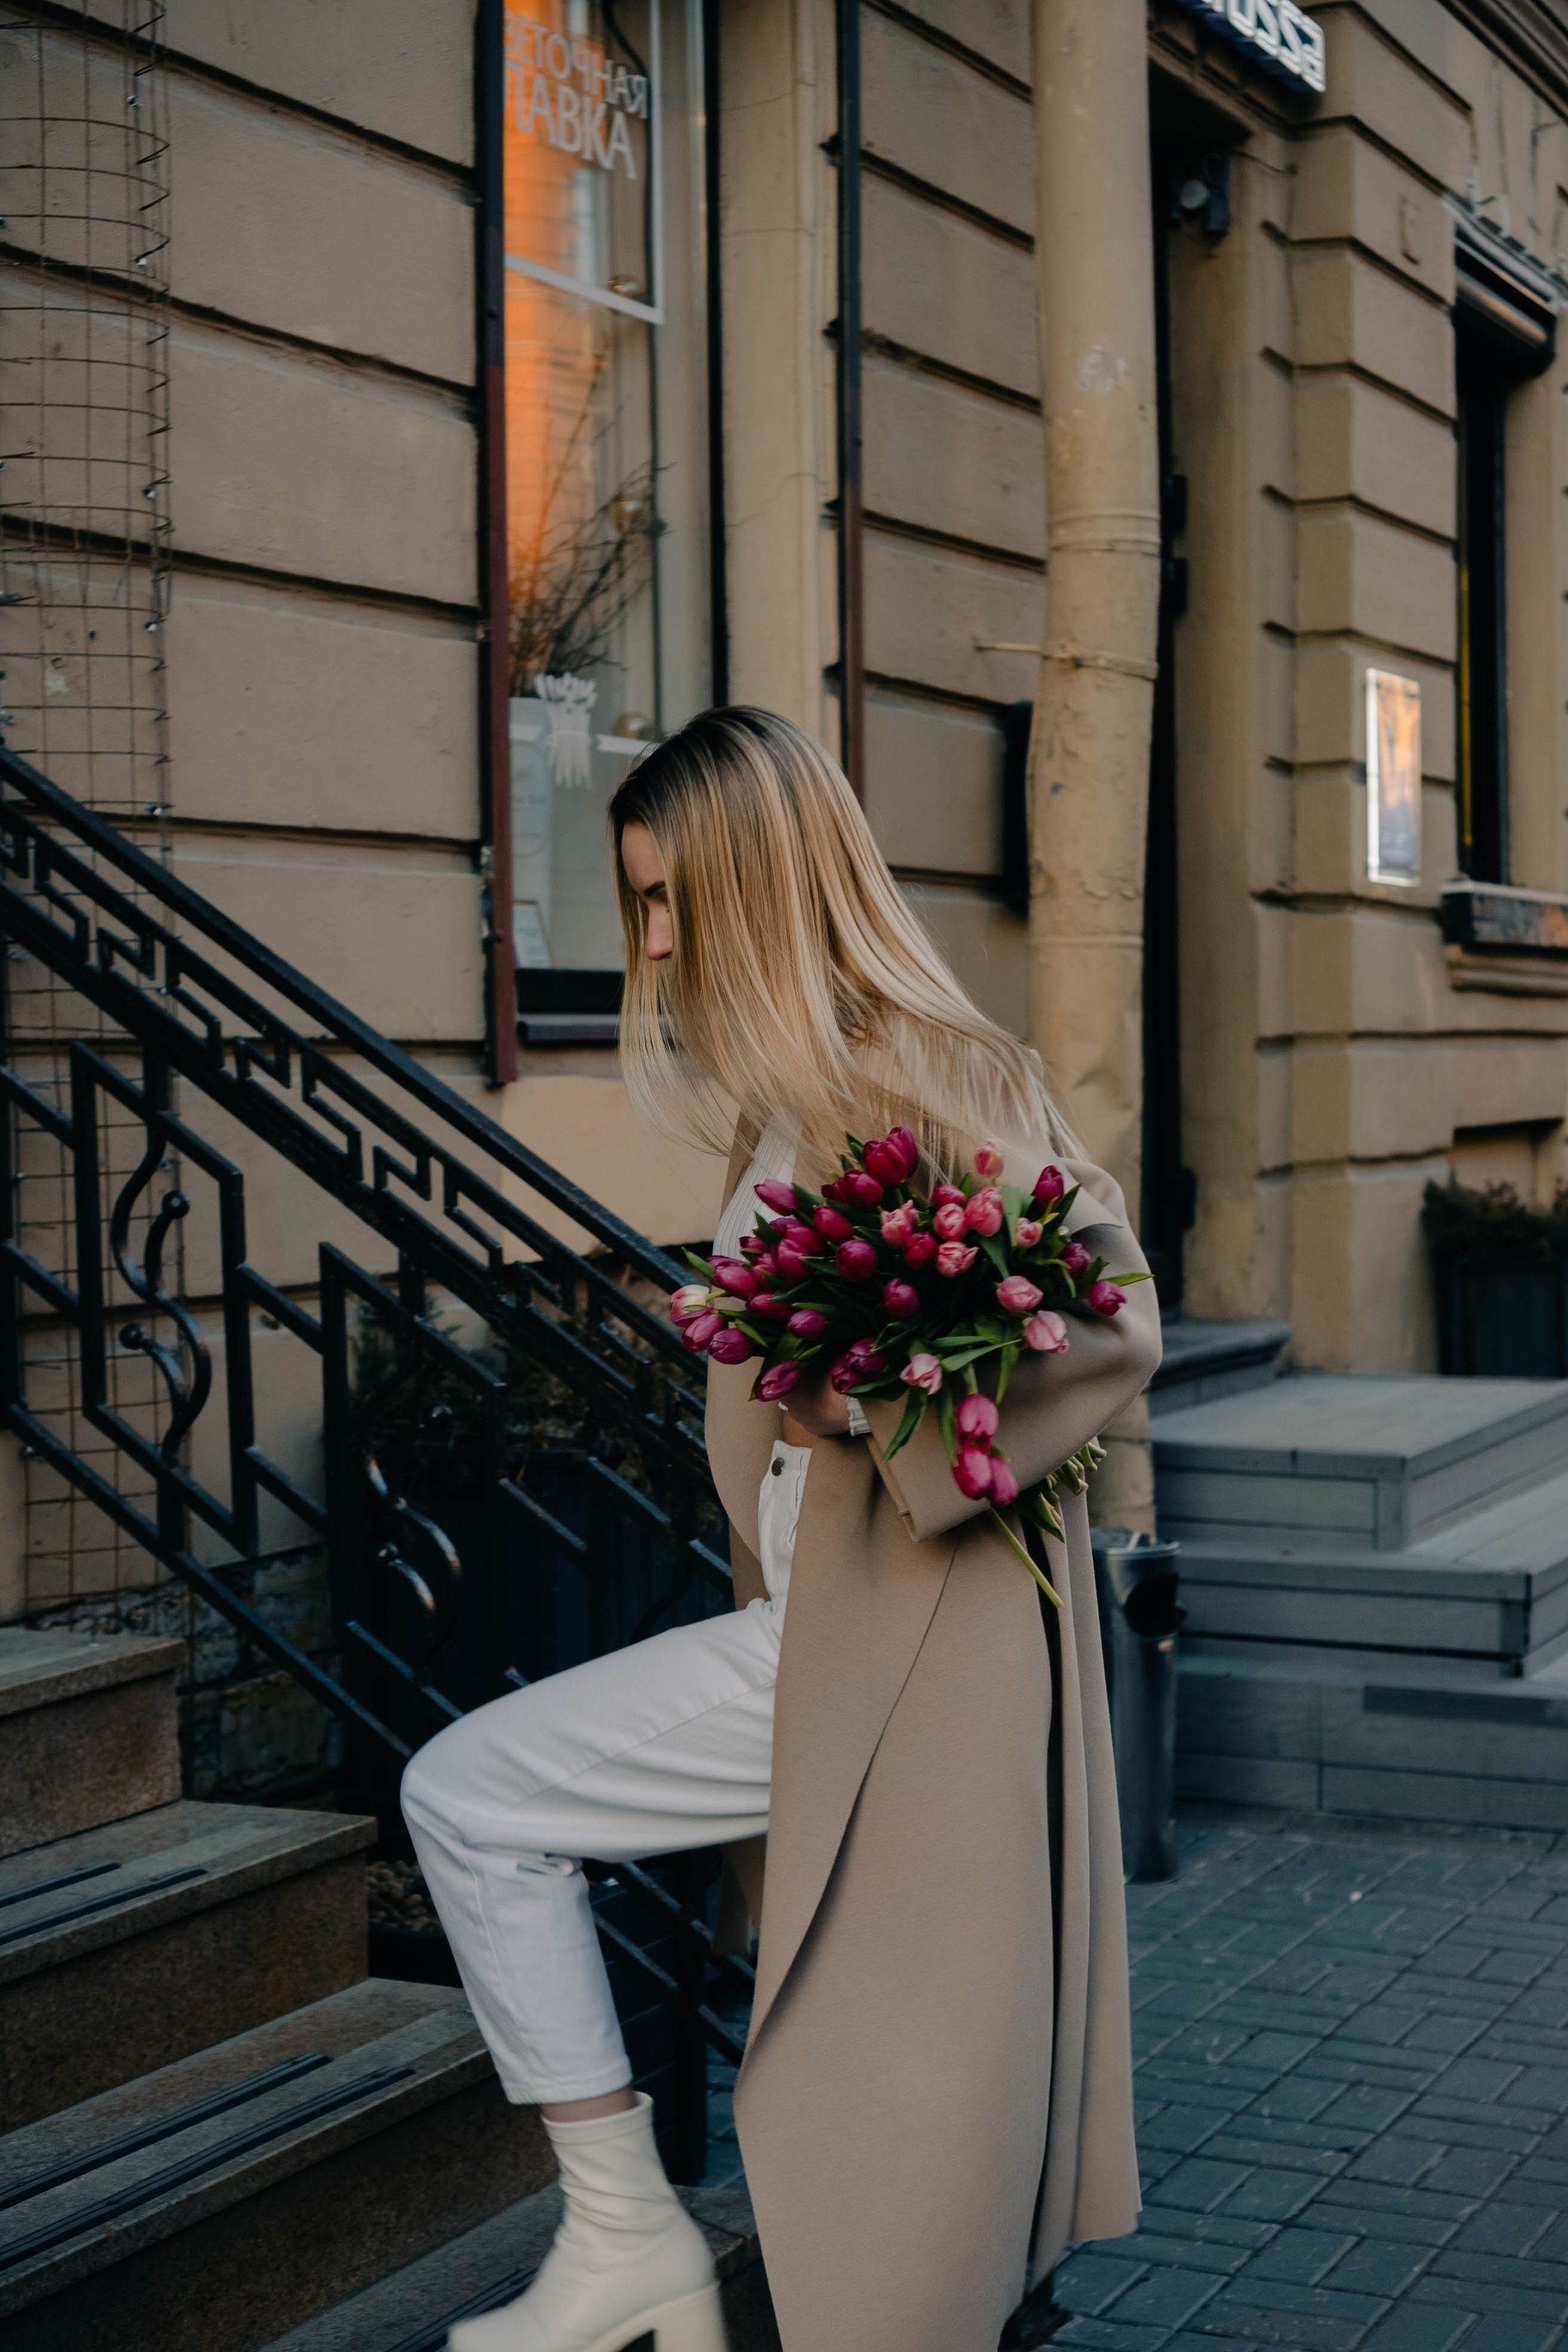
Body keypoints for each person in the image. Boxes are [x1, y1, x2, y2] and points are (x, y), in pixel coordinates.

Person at [401, 707, 1162, 2352]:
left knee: (474, 1797)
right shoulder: (797, 1104)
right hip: (834, 1629)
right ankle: (650, 2250)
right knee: (895, 2043)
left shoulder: (934, 1071)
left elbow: (1110, 1320)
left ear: (764, 885)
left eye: (674, 899)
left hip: (898, 1647)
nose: (655, 940)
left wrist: (859, 1407)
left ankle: (631, 2247)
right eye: (640, 905)